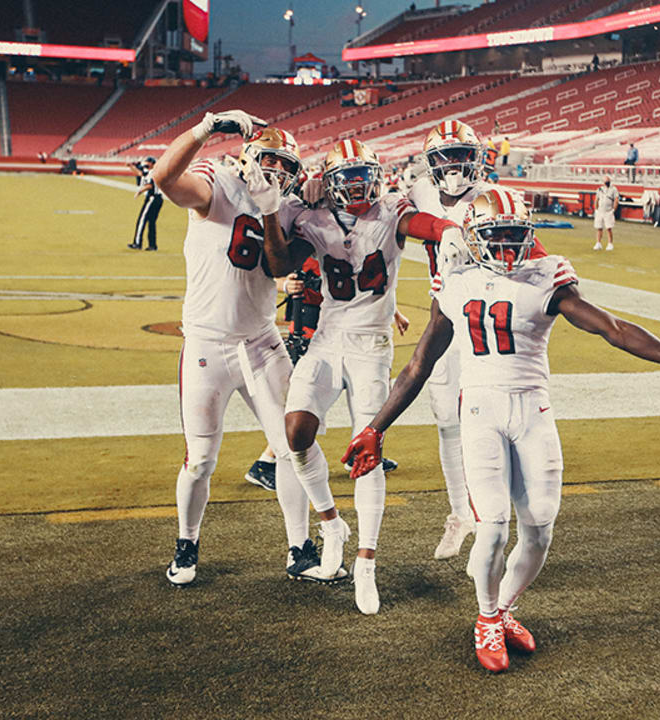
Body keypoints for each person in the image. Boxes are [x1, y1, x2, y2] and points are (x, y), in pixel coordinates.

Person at [341, 187, 660, 672]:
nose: (507, 246)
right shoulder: (454, 283)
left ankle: (505, 606)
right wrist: (376, 427)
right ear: (473, 238)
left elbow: (611, 328)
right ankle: (487, 618)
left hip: (533, 410)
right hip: (480, 412)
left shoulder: (546, 277)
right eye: (496, 236)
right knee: (492, 530)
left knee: (539, 530)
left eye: (515, 234)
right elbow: (418, 366)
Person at [260, 138, 467, 614]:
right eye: (346, 178)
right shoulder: (310, 214)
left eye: (363, 175)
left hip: (371, 344)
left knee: (367, 448)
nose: (358, 186)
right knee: (295, 432)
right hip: (328, 336)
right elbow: (277, 261)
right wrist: (280, 207)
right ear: (329, 184)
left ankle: (367, 563)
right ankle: (332, 524)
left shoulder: (391, 208)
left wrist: (447, 230)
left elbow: (422, 223)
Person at [149, 109, 328, 587]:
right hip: (208, 344)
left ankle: (300, 547)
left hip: (262, 342)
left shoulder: (287, 206)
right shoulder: (221, 183)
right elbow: (164, 178)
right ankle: (187, 542)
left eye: (288, 167)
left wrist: (320, 194)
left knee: (292, 447)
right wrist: (204, 130)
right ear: (248, 156)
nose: (278, 172)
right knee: (201, 459)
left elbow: (283, 259)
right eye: (271, 160)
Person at [408, 119, 550, 561]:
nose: (453, 166)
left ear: (478, 159)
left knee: (492, 417)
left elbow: (534, 250)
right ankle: (461, 515)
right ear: (430, 164)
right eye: (445, 157)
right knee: (446, 418)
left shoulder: (492, 199)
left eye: (462, 156)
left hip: (487, 320)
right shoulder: (418, 191)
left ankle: (497, 519)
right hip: (445, 310)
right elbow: (392, 214)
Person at [243, 259, 408, 492]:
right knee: (303, 403)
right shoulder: (309, 237)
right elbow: (268, 273)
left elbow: (365, 287)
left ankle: (359, 451)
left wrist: (394, 312)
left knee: (359, 393)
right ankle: (265, 461)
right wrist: (285, 286)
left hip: (339, 327)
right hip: (312, 327)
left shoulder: (339, 239)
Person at [128, 157, 163, 251]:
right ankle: (152, 245)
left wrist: (139, 191)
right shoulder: (150, 172)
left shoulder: (152, 173)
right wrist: (131, 167)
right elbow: (140, 173)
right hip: (157, 198)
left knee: (142, 220)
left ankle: (137, 243)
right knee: (151, 222)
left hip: (152, 198)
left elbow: (149, 185)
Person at [593, 177, 620, 251]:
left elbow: (616, 200)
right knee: (599, 227)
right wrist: (596, 209)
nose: (607, 182)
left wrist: (613, 210)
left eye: (608, 181)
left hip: (608, 211)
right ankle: (598, 243)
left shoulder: (614, 189)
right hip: (600, 211)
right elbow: (596, 199)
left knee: (609, 228)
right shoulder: (599, 189)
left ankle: (610, 243)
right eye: (606, 181)